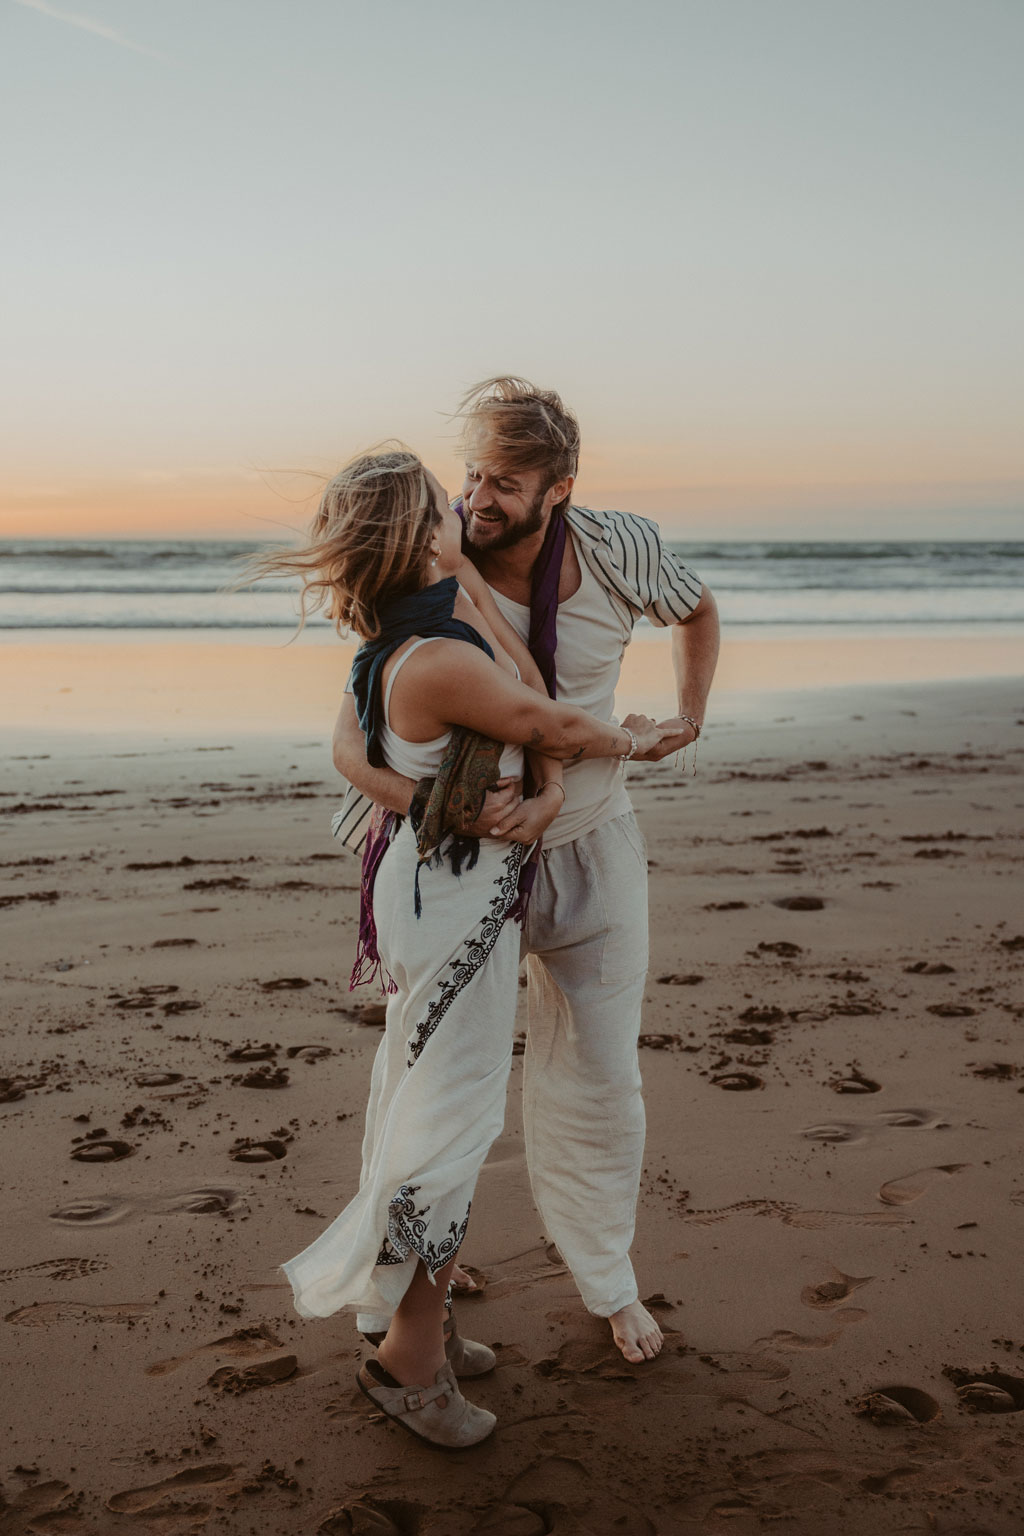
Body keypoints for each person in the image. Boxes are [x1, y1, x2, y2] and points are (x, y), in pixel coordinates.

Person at [253, 447, 667, 1449]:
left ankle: (417, 1322)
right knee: (447, 1125)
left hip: (455, 892)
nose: (462, 509)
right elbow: (546, 716)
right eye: (443, 506)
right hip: (449, 903)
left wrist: (471, 587)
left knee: (442, 1111)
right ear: (416, 535)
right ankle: (408, 1362)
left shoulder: (435, 623)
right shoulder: (435, 659)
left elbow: (524, 682)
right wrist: (634, 739)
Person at [335, 378, 721, 1369]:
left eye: (505, 482)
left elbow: (695, 610)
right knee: (426, 1076)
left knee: (601, 1071)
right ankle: (405, 1274)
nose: (476, 498)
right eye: (470, 474)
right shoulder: (422, 558)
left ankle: (607, 1277)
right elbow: (349, 736)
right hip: (458, 869)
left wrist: (686, 720)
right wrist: (429, 804)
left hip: (593, 843)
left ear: (560, 489)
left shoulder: (619, 546)